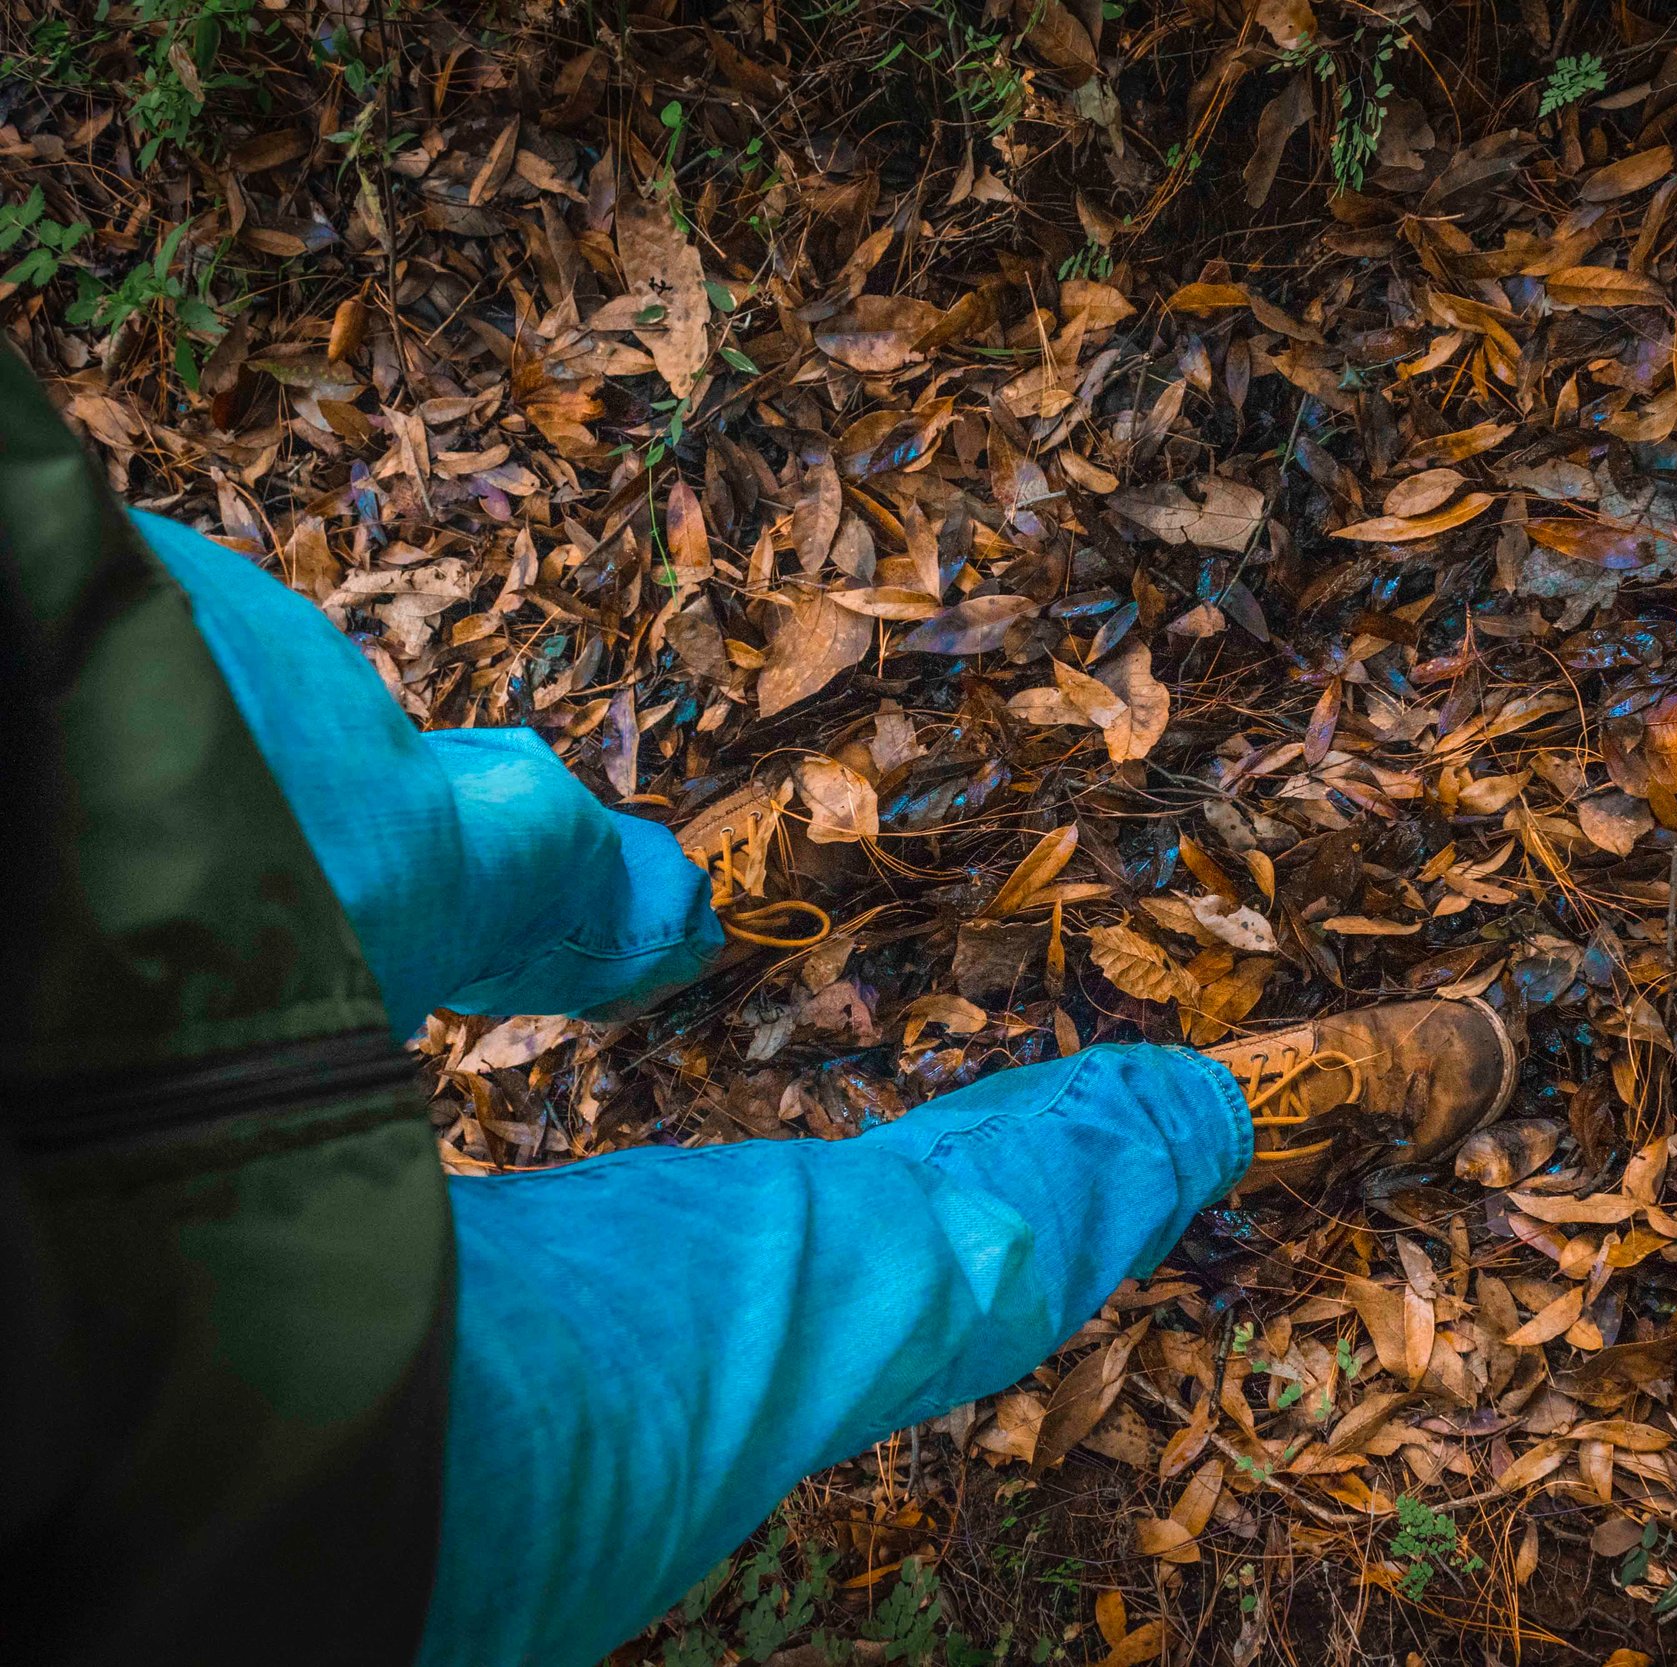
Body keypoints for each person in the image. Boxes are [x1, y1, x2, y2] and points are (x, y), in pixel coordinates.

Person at [0, 342, 1518, 1666]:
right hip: (226, 1525)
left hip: (58, 741)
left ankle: (681, 917)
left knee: (447, 840)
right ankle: (1201, 1115)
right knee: (842, 1286)